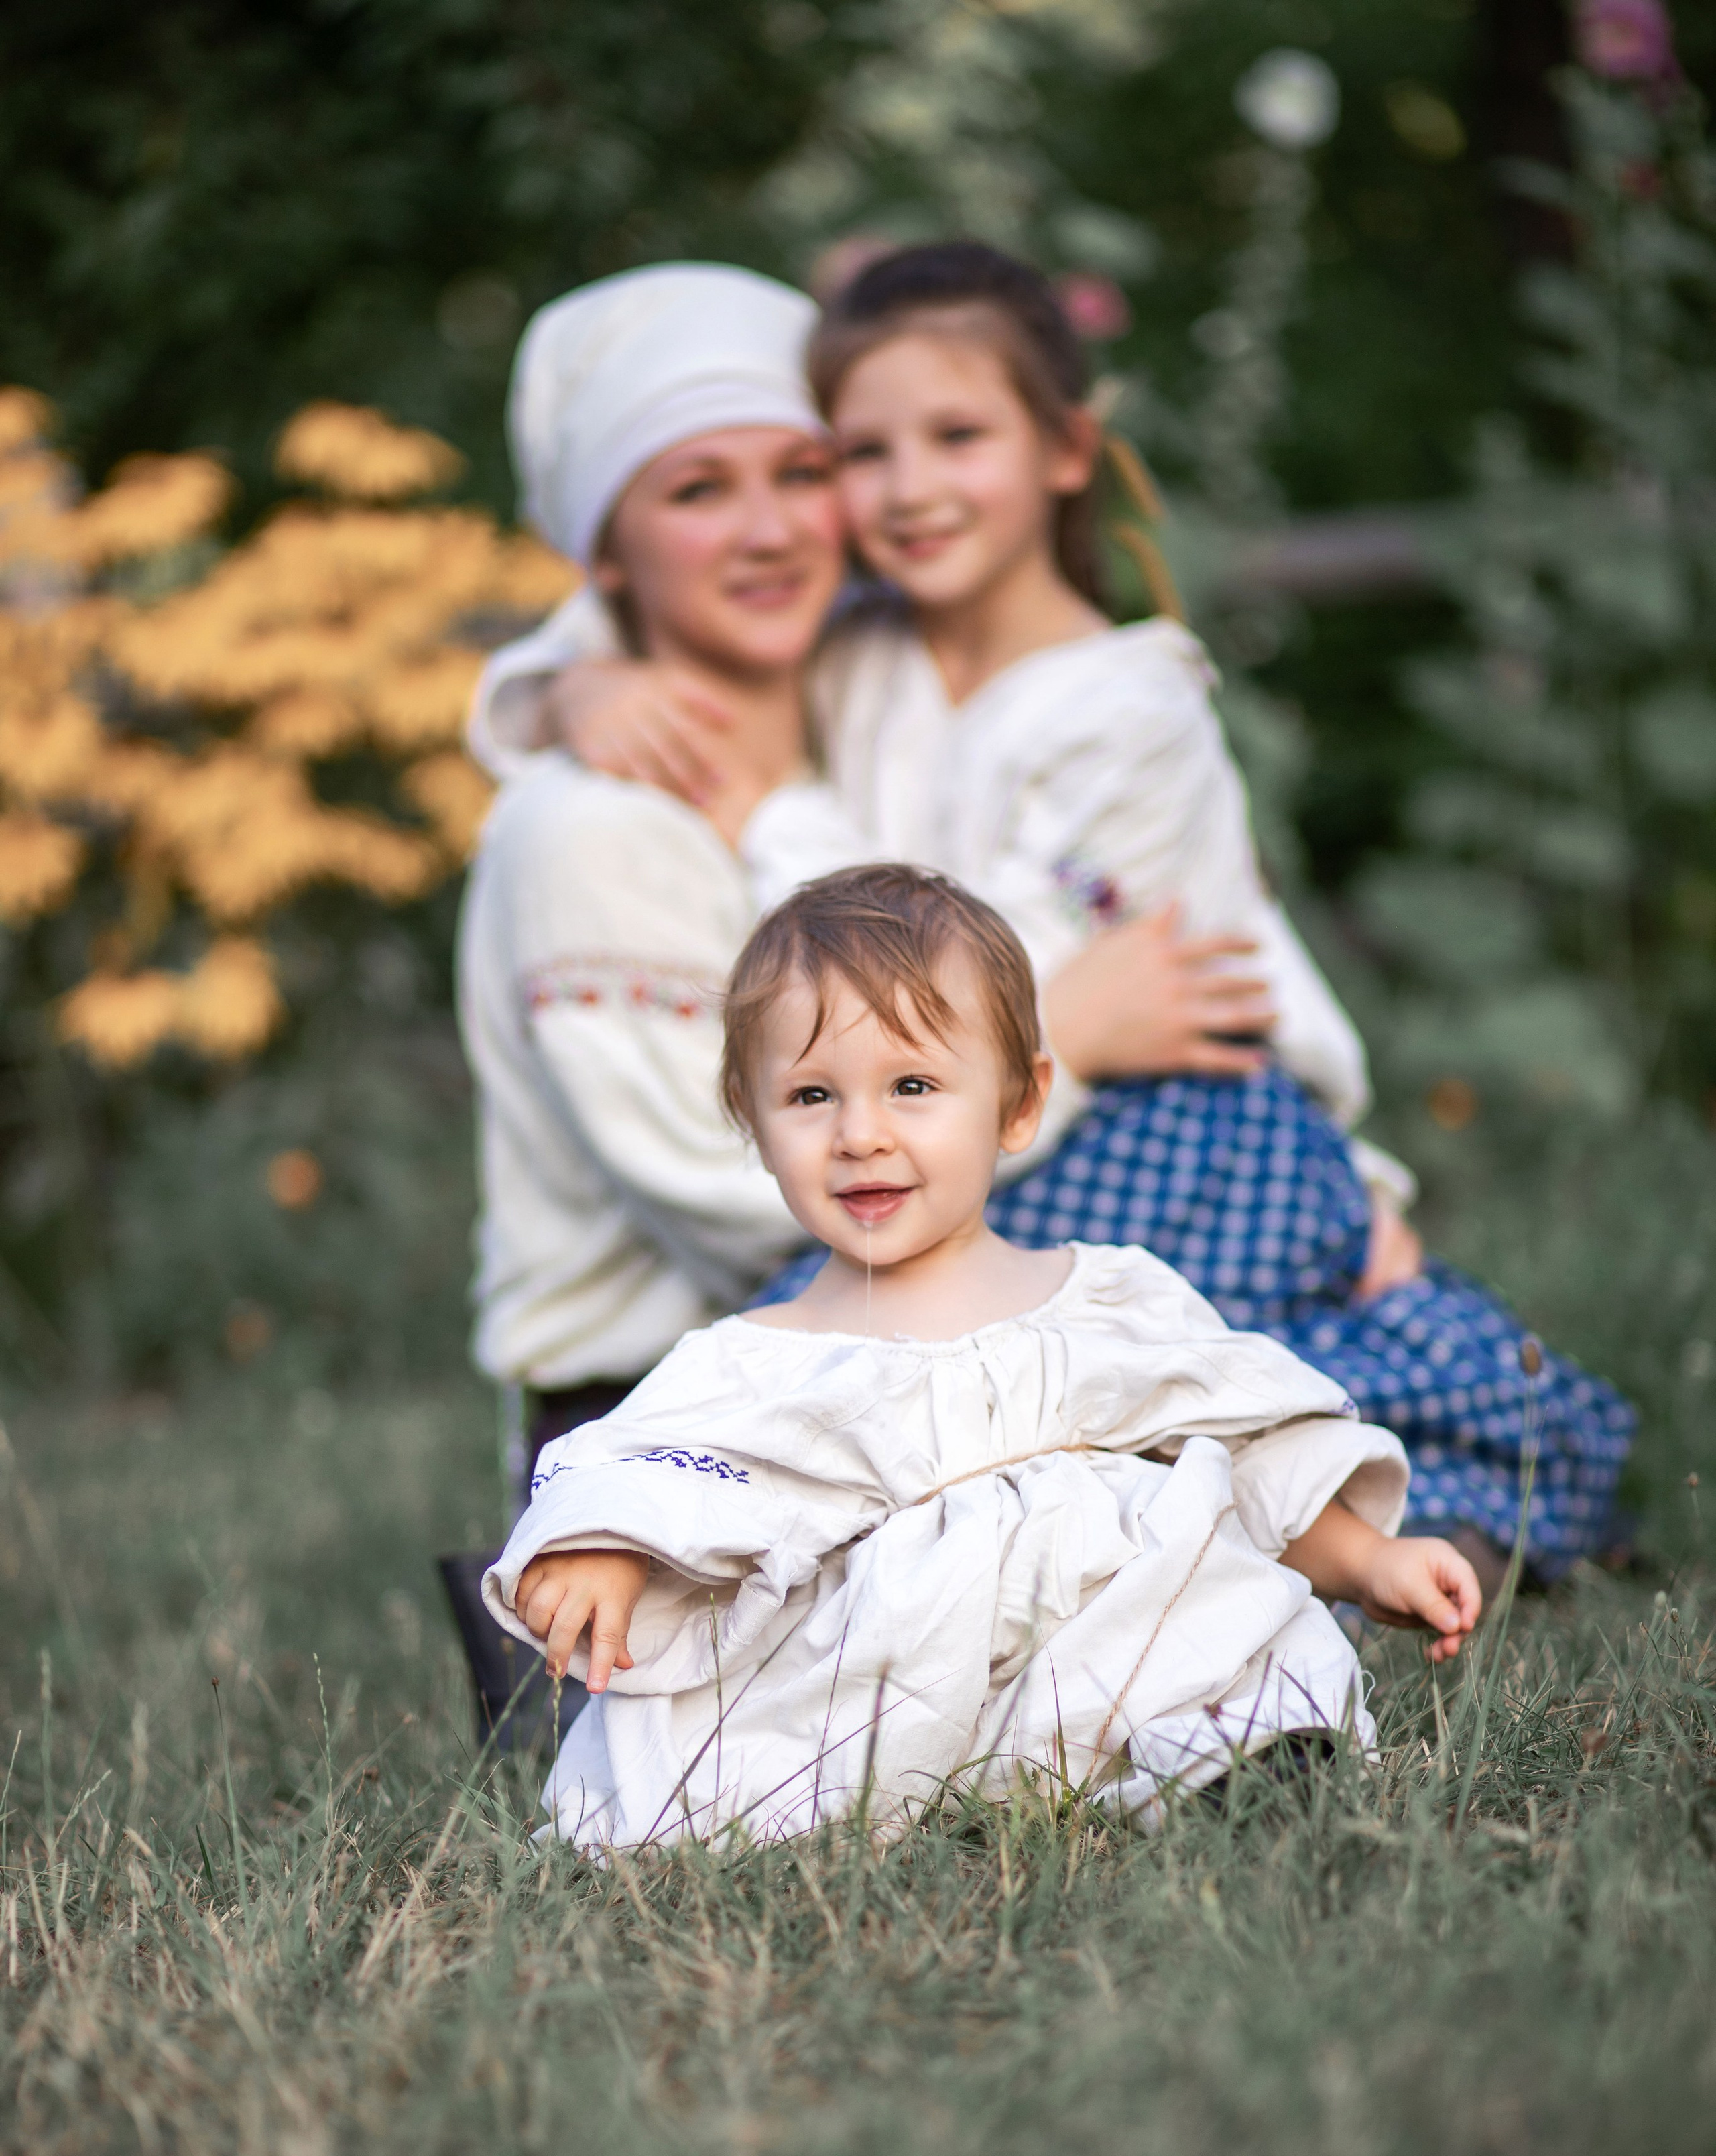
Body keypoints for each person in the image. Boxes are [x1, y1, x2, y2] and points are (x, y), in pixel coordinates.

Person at [473, 242, 1635, 1590]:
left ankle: (1431, 1531)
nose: (886, 495)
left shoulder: (1122, 708)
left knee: (1161, 1404)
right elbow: (598, 643)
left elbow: (968, 960)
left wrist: (755, 811)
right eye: (859, 452)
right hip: (982, 1134)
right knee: (1032, 1439)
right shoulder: (861, 657)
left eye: (806, 471)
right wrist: (563, 694)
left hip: (1178, 1129)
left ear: (1065, 451)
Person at [445, 259, 1253, 1738]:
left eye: (801, 472)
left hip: (912, 1348)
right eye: (694, 491)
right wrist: (1064, 1044)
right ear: (605, 549)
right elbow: (734, 1201)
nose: (766, 530)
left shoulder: (858, 689)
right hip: (685, 1412)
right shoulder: (594, 830)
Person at [488, 870, 1480, 1851]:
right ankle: (854, 1813)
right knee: (748, 1750)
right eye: (810, 1096)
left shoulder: (1107, 1298)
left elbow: (1248, 1466)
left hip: (1111, 1655)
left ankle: (1242, 1763)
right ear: (753, 1123)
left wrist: (1367, 1561)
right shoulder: (755, 1359)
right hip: (884, 1702)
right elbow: (651, 1474)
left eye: (912, 1086)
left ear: (1018, 1104)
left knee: (1221, 1623)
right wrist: (606, 1548)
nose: (860, 1135)